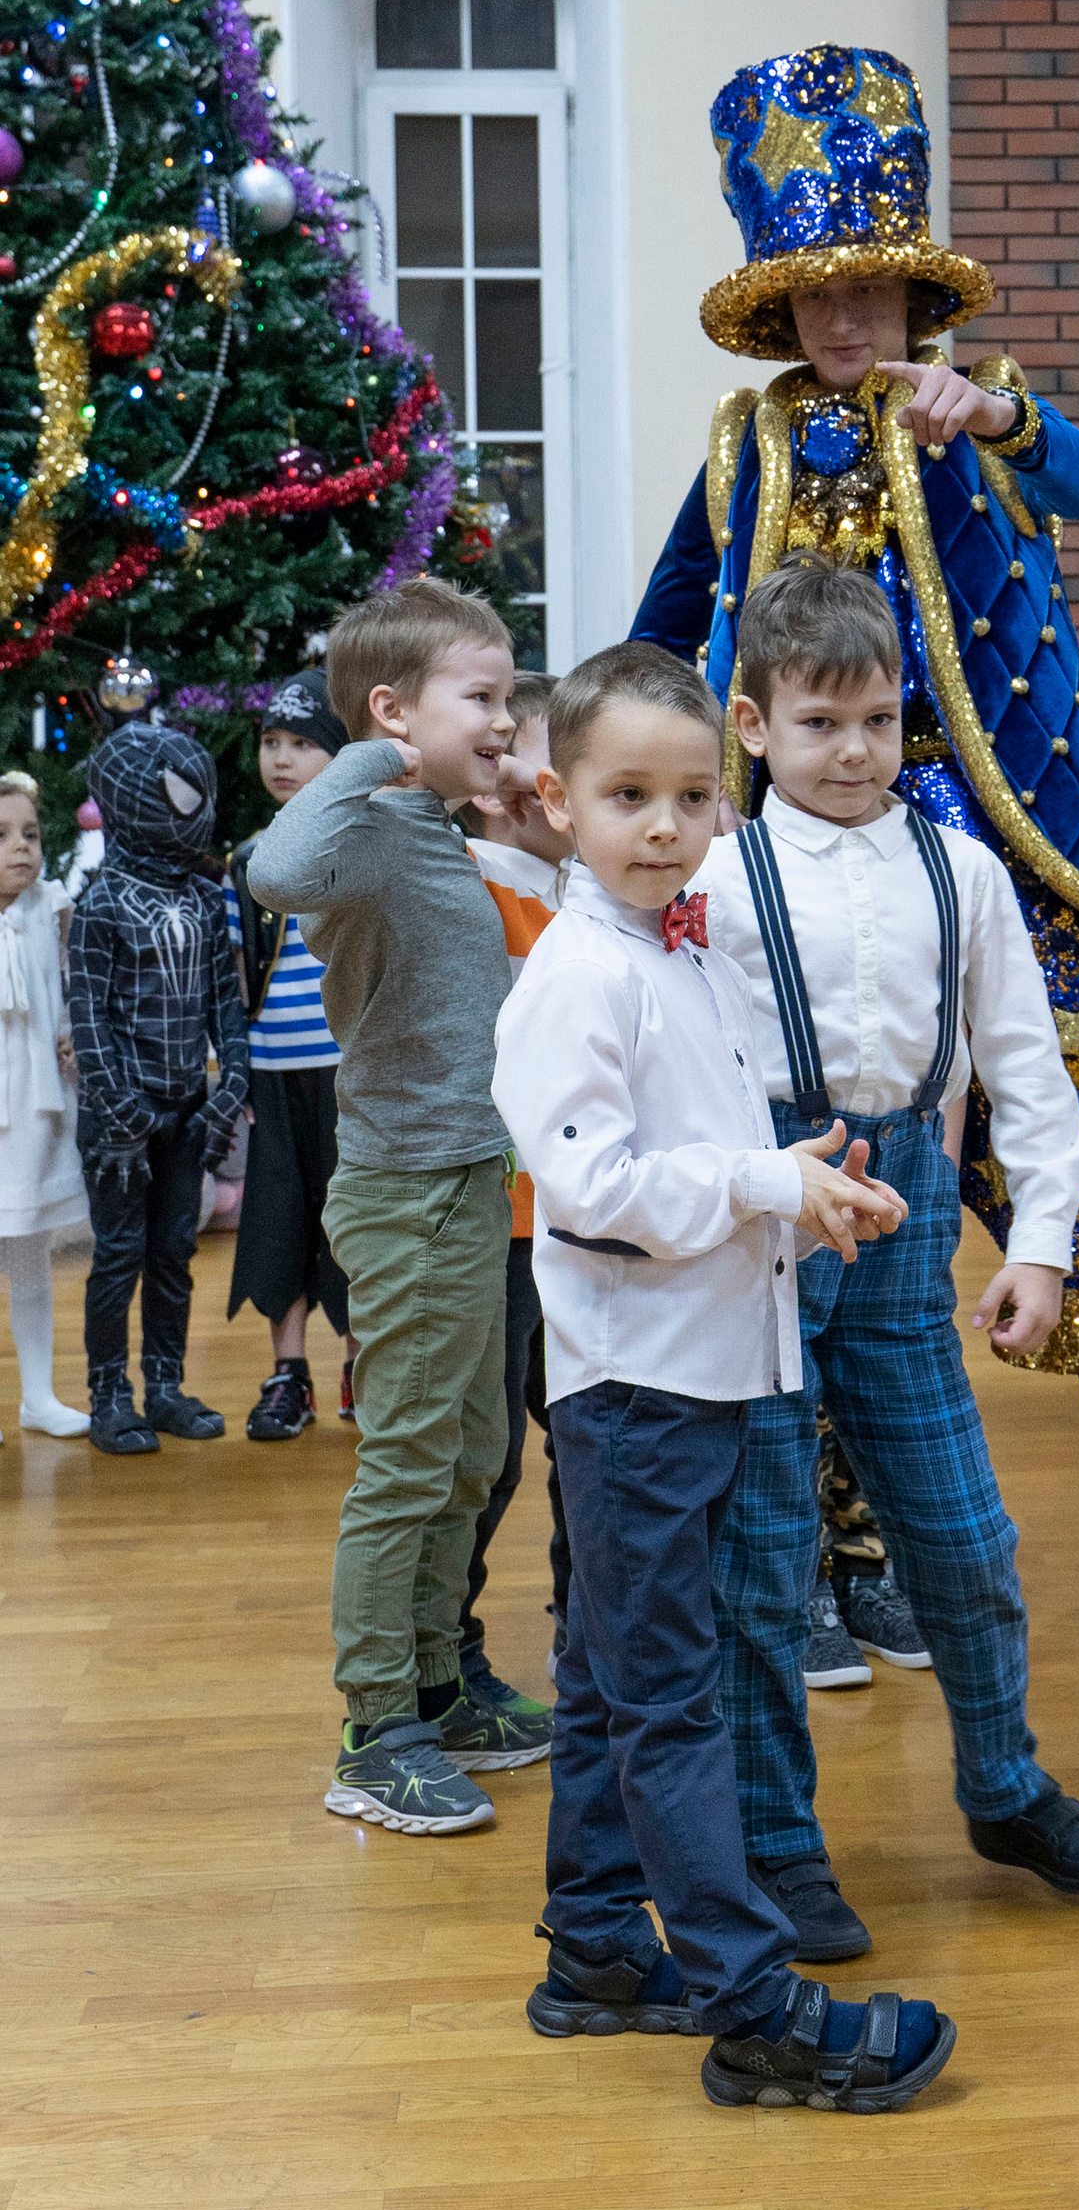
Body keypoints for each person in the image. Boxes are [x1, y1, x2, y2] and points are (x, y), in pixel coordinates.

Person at [631, 43, 1079, 1659]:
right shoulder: (743, 449)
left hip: (1029, 841)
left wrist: (998, 414)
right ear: (782, 310)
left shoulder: (978, 413)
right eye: (818, 296)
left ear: (918, 298)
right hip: (813, 854)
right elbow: (662, 637)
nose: (848, 322)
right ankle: (845, 1539)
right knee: (843, 1171)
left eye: (874, 291)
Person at [491, 639, 955, 2113]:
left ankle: (598, 1951)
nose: (664, 823)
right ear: (559, 801)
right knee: (672, 1695)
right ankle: (755, 2010)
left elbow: (700, 1144)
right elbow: (589, 1190)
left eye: (693, 795)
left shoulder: (666, 948)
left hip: (684, 1370)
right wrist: (760, 1184)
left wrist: (798, 1187)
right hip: (635, 1388)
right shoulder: (575, 976)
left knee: (606, 1674)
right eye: (627, 793)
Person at [700, 555, 1079, 1923]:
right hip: (758, 1242)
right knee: (761, 1560)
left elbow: (1024, 1070)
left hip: (905, 1234)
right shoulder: (712, 877)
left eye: (878, 721)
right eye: (819, 723)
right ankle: (775, 1842)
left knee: (964, 1540)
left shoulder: (962, 873)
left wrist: (1044, 1245)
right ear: (756, 725)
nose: (852, 750)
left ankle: (1004, 1786)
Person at [247, 577, 549, 1832]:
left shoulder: (436, 828)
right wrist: (379, 751)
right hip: (405, 1190)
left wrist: (498, 789)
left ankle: (440, 1680)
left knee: (471, 1451)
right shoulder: (366, 825)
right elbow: (271, 869)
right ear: (391, 712)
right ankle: (376, 1733)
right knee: (409, 1466)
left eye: (507, 692)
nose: (504, 715)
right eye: (480, 696)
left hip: (473, 1181)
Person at [64, 719, 247, 1453]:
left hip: (189, 1111)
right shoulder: (101, 904)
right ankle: (109, 1394)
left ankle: (165, 1386)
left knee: (174, 1251)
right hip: (121, 1125)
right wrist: (120, 1107)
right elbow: (89, 1019)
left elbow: (225, 1009)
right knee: (117, 1255)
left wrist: (228, 1088)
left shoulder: (205, 902)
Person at [457, 672, 572, 1719]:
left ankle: (594, 1643)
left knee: (591, 1444)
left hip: (583, 1225)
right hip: (501, 1224)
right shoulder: (468, 886)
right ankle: (447, 1663)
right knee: (480, 1458)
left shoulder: (580, 889)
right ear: (502, 785)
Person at [224, 676, 352, 1442]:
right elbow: (237, 976)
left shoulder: (357, 845)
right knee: (278, 1218)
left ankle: (359, 1367)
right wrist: (234, 1069)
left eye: (302, 744)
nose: (282, 757)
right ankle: (288, 1372)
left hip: (350, 1075)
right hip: (272, 1073)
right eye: (272, 742)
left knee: (355, 1220)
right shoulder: (248, 861)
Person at [0, 767, 89, 1440]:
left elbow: (65, 994)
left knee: (28, 1251)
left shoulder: (50, 910)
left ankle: (38, 1396)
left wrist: (71, 1043)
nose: (20, 847)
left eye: (29, 833)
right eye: (1, 836)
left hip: (34, 1112)